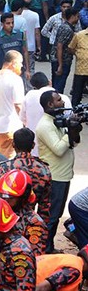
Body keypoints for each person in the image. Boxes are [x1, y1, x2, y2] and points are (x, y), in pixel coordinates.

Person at [36, 90, 81, 251]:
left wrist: (73, 130)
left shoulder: (57, 120)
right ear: (50, 104)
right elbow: (59, 149)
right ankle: (44, 249)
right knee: (52, 216)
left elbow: (73, 143)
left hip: (63, 175)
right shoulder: (45, 125)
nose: (62, 103)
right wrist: (69, 130)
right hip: (55, 177)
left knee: (56, 215)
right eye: (58, 100)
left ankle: (49, 247)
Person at [0, 128, 53, 229]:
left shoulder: (5, 168)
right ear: (33, 145)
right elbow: (45, 206)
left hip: (7, 222)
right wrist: (40, 227)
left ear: (13, 144)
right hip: (30, 223)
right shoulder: (43, 170)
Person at [23, 71, 71, 137]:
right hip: (60, 141)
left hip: (34, 141)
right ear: (49, 82)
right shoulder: (65, 98)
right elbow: (70, 120)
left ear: (34, 87)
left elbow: (23, 119)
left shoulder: (29, 96)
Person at [53, 7, 80, 93]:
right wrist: (60, 65)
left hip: (62, 60)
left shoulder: (66, 27)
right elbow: (59, 46)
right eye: (77, 16)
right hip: (63, 61)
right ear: (73, 16)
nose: (78, 18)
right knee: (59, 86)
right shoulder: (67, 29)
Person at [69, 16, 88, 104]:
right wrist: (80, 55)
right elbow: (71, 48)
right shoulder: (79, 35)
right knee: (77, 93)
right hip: (81, 69)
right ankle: (74, 111)